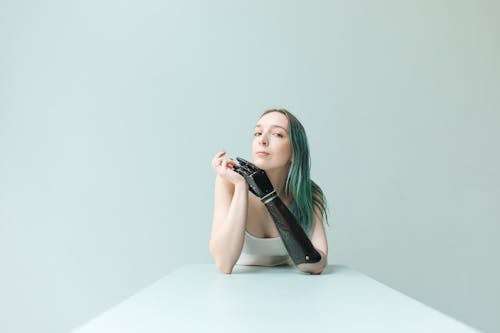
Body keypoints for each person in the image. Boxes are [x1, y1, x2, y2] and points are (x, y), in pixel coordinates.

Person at [209, 109, 329, 274]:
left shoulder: (309, 193)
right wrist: (241, 186)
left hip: (289, 290)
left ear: (294, 151)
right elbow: (224, 263)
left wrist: (269, 197)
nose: (262, 140)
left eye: (277, 134)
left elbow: (316, 264)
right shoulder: (229, 182)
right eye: (258, 133)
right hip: (236, 290)